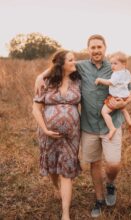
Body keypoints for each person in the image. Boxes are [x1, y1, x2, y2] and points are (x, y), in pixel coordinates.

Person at [35, 35, 131, 218]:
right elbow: (60, 64)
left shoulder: (114, 65)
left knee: (113, 164)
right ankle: (99, 199)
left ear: (105, 48)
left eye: (99, 47)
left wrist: (126, 102)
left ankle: (110, 183)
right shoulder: (80, 66)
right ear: (88, 49)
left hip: (111, 124)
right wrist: (41, 76)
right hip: (88, 126)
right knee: (94, 164)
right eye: (92, 47)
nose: (96, 50)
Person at [32, 50, 81, 220]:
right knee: (53, 166)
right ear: (62, 64)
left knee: (66, 171)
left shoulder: (78, 79)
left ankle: (65, 213)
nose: (75, 62)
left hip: (71, 136)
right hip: (48, 133)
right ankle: (55, 187)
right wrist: (45, 129)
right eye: (71, 60)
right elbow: (36, 109)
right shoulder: (46, 81)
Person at [95, 51, 131, 140]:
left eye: (115, 63)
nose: (112, 66)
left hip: (115, 98)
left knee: (104, 112)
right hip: (124, 97)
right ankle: (130, 123)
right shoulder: (126, 72)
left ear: (124, 64)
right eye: (111, 63)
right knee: (124, 110)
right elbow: (129, 82)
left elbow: (110, 82)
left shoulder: (116, 74)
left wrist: (99, 80)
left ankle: (112, 128)